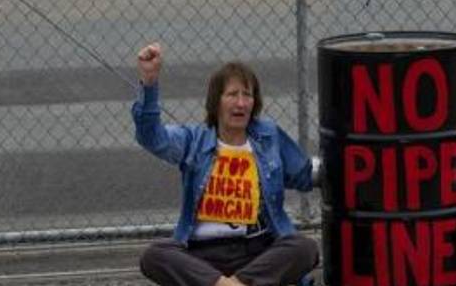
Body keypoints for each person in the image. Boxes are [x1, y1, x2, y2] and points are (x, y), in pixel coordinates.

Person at [131, 42, 318, 286]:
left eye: (247, 95)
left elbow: (304, 174)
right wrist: (149, 82)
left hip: (257, 252)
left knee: (305, 248)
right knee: (154, 256)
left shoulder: (268, 137)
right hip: (202, 256)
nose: (241, 103)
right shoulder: (193, 141)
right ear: (216, 102)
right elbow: (151, 137)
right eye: (232, 95)